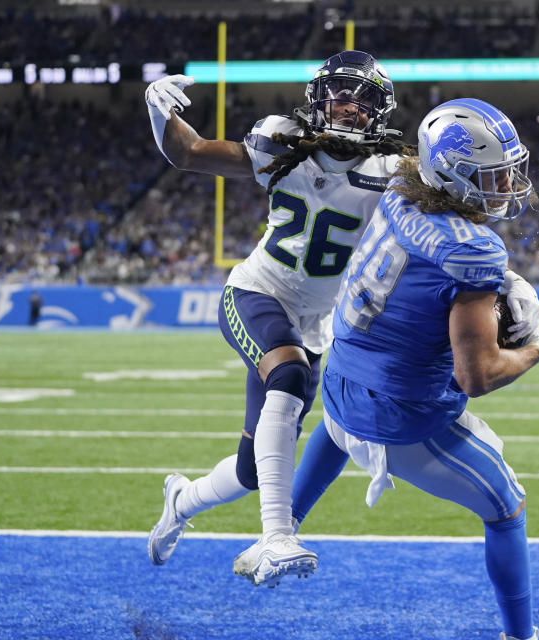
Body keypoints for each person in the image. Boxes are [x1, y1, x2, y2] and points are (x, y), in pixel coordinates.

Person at [144, 50, 417, 586]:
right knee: (288, 377)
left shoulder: (394, 175)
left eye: (363, 102)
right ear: (318, 99)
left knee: (251, 470)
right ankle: (276, 538)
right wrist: (160, 112)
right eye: (340, 94)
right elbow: (190, 152)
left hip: (317, 322)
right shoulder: (282, 145)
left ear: (380, 114)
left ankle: (181, 500)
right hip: (257, 292)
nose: (349, 107)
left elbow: (449, 219)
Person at [281, 99, 539, 640]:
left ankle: (280, 527)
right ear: (454, 174)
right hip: (397, 418)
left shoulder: (401, 188)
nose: (506, 185)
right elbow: (479, 377)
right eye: (492, 175)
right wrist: (537, 348)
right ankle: (520, 637)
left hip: (340, 381)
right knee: (507, 507)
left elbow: (428, 265)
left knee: (334, 426)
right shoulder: (473, 252)